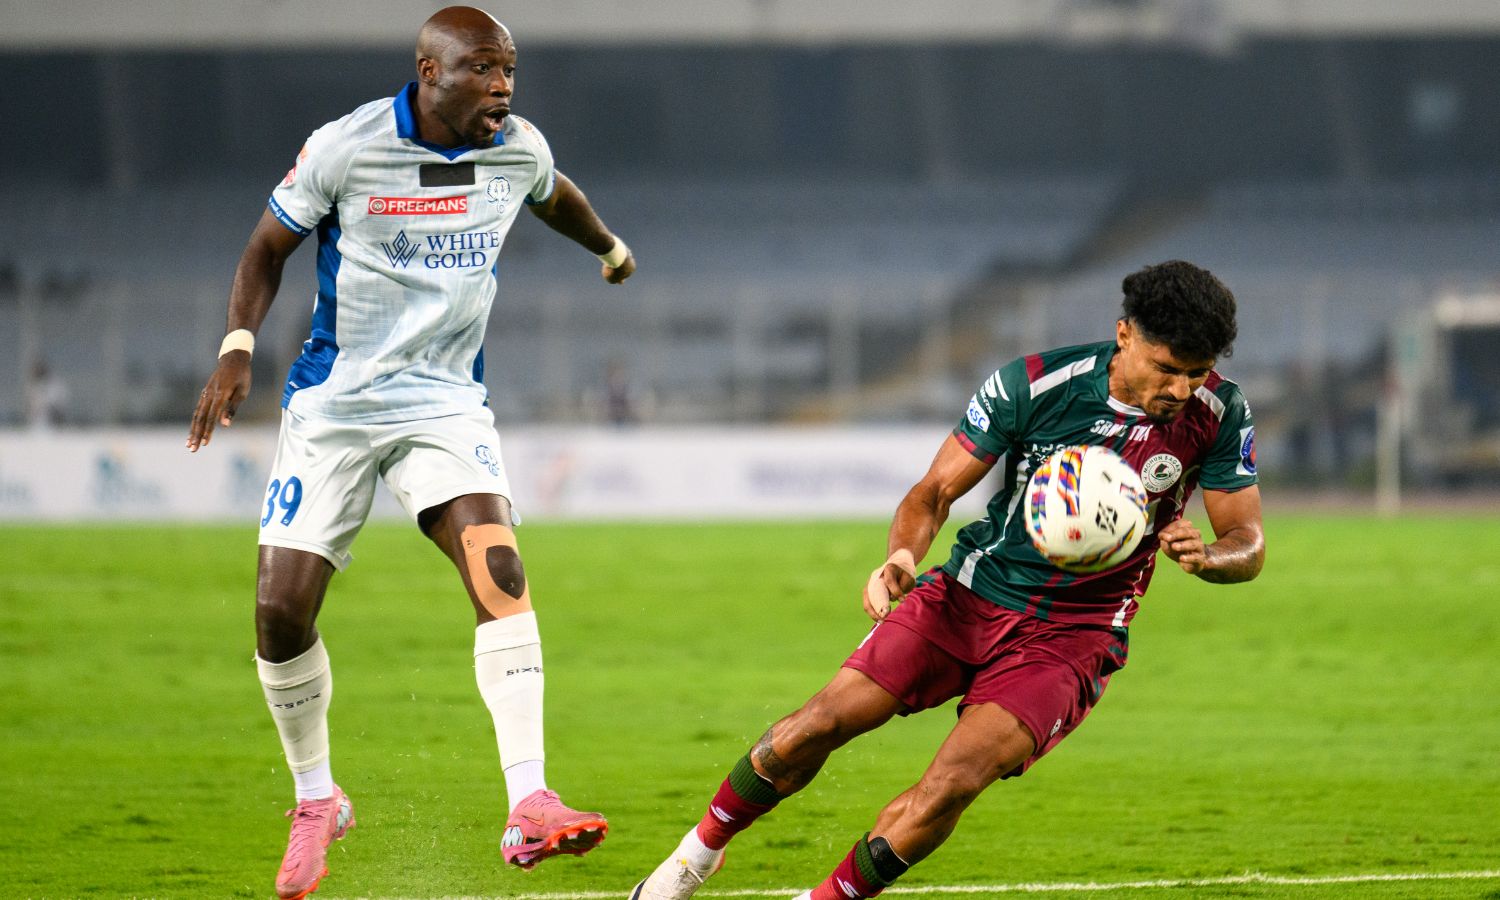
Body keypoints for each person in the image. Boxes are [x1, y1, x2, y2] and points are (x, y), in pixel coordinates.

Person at [630, 260, 1264, 900]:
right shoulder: (1035, 384)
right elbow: (933, 493)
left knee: (952, 785)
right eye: (1167, 368)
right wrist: (902, 558)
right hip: (967, 594)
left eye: (1196, 373)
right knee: (818, 724)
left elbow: (1248, 540)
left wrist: (1211, 557)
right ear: (1124, 334)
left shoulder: (1220, 412)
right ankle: (695, 857)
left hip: (1074, 636)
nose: (1181, 389)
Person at [185, 8, 635, 899]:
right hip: (336, 405)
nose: (503, 88)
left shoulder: (516, 148)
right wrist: (237, 348)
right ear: (430, 73)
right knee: (279, 614)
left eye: (510, 71)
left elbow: (557, 196)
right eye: (484, 70)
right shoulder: (346, 148)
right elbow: (267, 246)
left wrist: (612, 249)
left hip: (444, 400)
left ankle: (530, 800)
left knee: (498, 564)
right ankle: (318, 799)